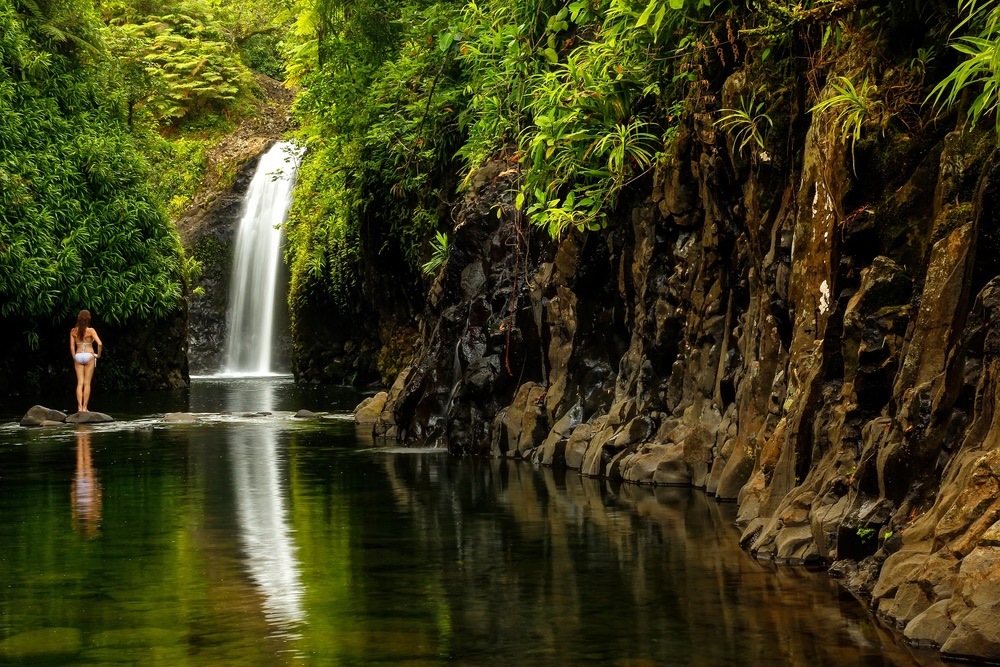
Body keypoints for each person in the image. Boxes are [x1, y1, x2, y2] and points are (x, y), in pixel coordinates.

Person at [69, 310, 103, 413]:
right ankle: (85, 408)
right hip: (89, 355)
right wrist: (98, 355)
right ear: (88, 319)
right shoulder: (91, 330)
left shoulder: (73, 331)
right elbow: (100, 344)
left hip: (78, 355)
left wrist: (74, 357)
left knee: (80, 383)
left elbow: (71, 346)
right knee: (87, 383)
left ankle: (79, 408)